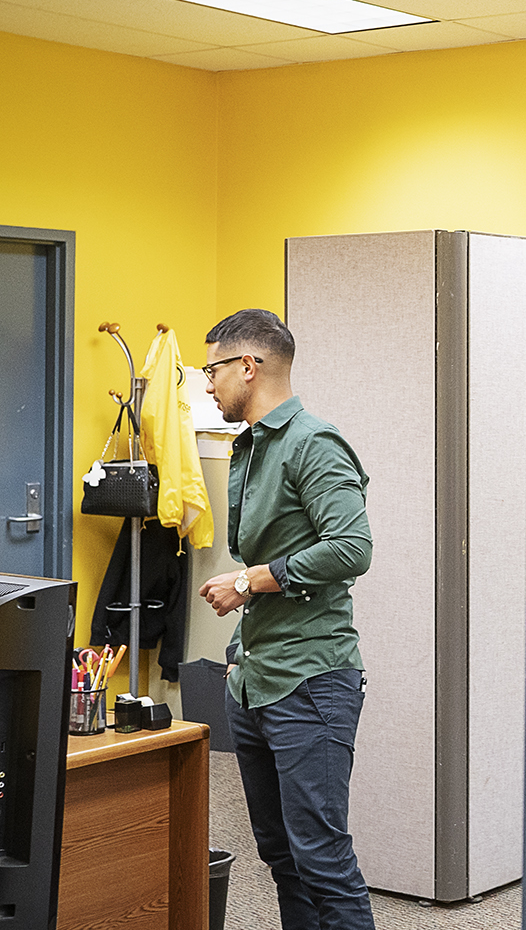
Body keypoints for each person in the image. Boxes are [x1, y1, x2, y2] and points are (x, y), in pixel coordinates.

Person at [198, 308, 376, 930]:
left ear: (249, 366)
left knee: (322, 859)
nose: (209, 383)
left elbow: (353, 546)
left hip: (310, 681)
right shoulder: (249, 447)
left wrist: (250, 582)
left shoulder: (312, 442)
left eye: (213, 368)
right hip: (253, 679)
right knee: (283, 858)